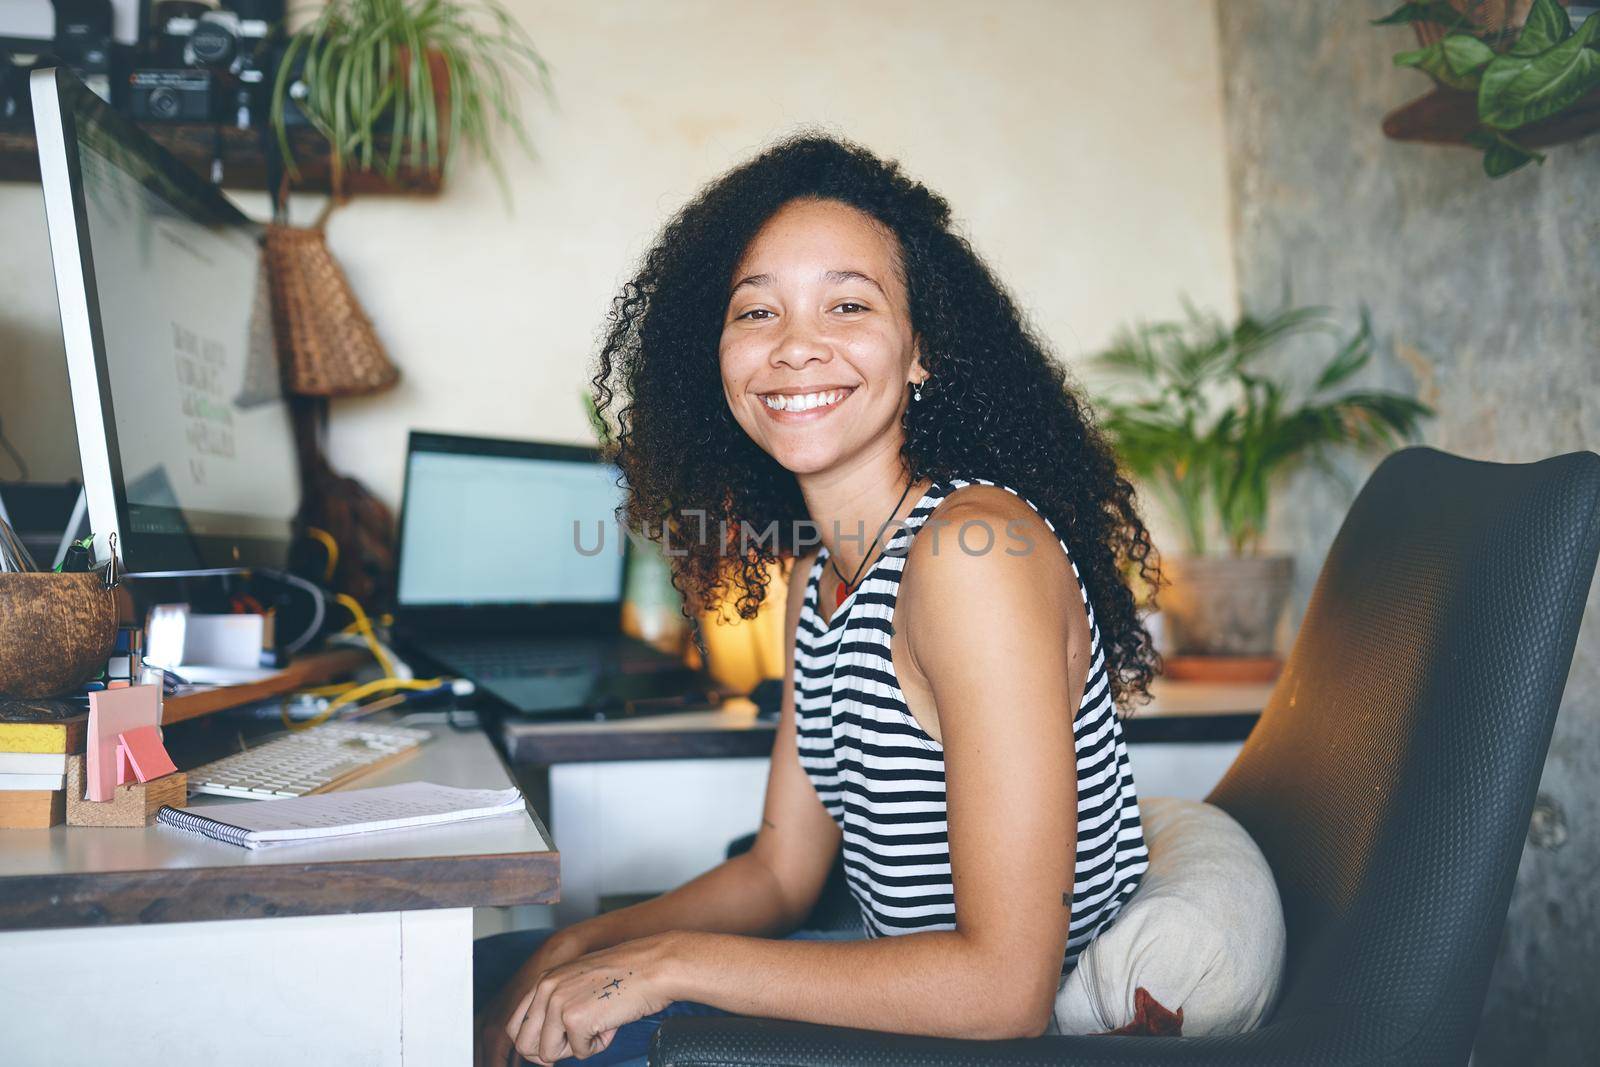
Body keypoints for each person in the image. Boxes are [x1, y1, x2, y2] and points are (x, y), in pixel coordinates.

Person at [475, 133, 1162, 1067]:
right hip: (903, 1003)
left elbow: (1004, 991)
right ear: (715, 360)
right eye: (757, 311)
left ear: (922, 351)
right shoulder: (821, 575)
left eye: (849, 304)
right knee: (501, 970)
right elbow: (781, 872)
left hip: (986, 1040)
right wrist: (582, 945)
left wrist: (669, 962)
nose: (797, 346)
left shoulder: (971, 554)